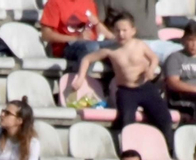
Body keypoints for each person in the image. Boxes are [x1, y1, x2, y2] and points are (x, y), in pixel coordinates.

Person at [75, 14, 176, 146]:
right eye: (117, 31)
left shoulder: (140, 45)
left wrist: (151, 69)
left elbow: (154, 58)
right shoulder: (110, 50)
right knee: (126, 120)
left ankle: (168, 149)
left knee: (164, 118)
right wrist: (80, 77)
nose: (121, 34)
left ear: (133, 31)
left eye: (124, 30)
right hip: (126, 91)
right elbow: (87, 59)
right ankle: (129, 151)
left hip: (145, 87)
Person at [39, 0, 113, 70]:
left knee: (117, 46)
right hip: (67, 47)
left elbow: (97, 26)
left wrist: (117, 39)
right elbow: (46, 35)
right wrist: (76, 38)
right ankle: (81, 81)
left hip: (91, 42)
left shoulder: (88, 2)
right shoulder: (55, 2)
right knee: (91, 47)